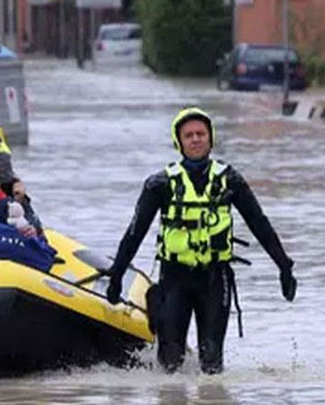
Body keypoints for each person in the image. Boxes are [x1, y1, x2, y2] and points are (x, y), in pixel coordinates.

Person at [105, 107, 297, 374]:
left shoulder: (230, 179)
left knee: (212, 361)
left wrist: (284, 266)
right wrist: (116, 275)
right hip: (174, 279)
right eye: (189, 135)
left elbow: (259, 224)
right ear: (179, 141)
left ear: (210, 138)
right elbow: (135, 233)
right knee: (170, 362)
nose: (196, 139)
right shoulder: (159, 184)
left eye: (201, 134)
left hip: (215, 279)